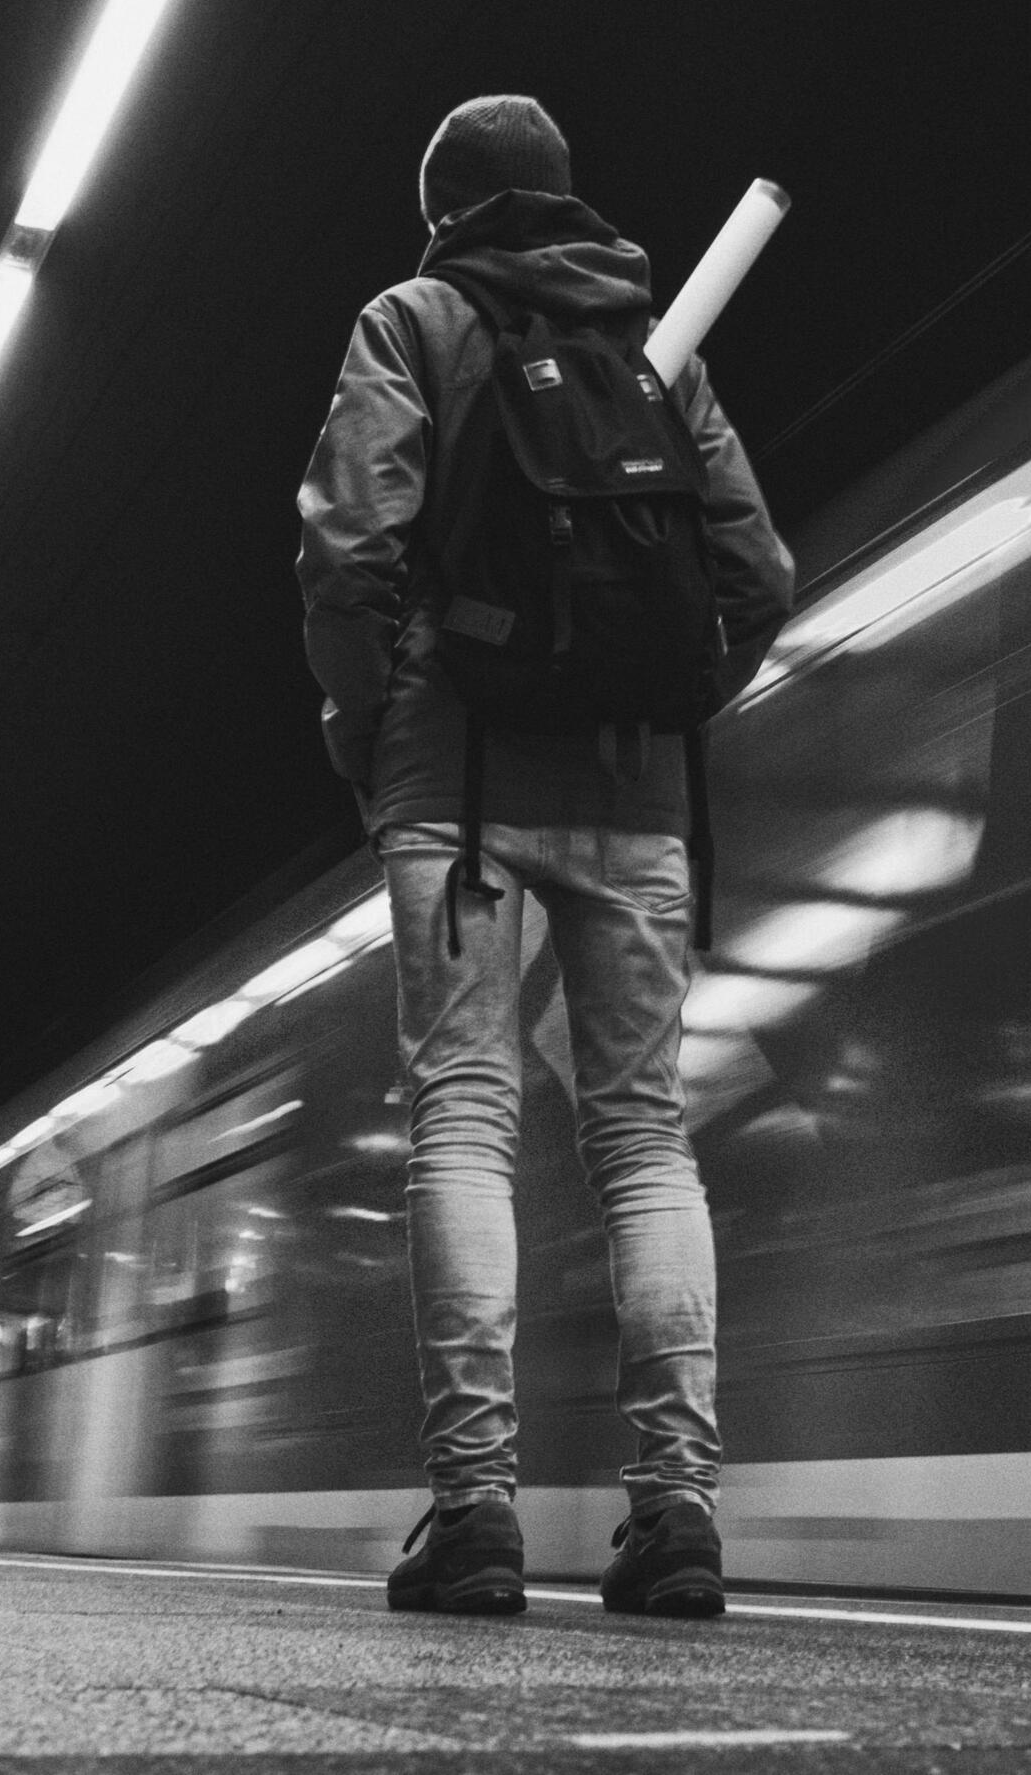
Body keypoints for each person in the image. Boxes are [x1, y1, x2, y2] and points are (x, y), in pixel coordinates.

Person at [296, 95, 794, 1617]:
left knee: (465, 1116)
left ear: (444, 214)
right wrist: (657, 703)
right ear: (568, 200)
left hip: (456, 778)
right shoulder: (656, 348)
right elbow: (757, 575)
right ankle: (677, 1511)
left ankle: (475, 1513)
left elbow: (347, 547)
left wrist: (368, 724)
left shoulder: (414, 321)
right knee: (644, 1136)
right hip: (637, 798)